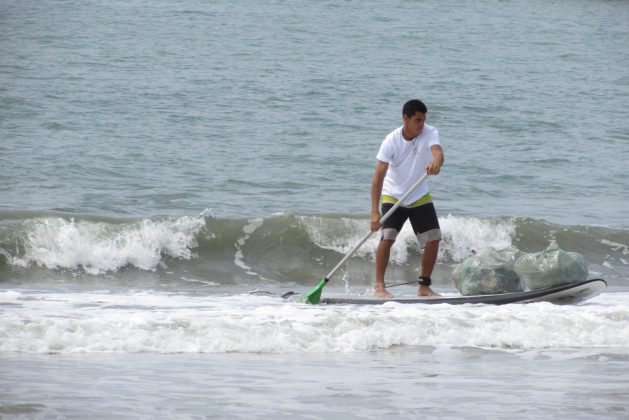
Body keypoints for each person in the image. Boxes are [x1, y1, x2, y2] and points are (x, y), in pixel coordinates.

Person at [370, 99, 444, 298]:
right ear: (406, 119)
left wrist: (436, 163)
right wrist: (375, 212)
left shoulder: (430, 132)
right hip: (393, 195)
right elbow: (378, 178)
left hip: (418, 194)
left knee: (434, 238)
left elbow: (437, 152)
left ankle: (424, 286)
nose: (421, 125)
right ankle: (379, 286)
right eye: (417, 120)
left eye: (423, 120)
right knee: (388, 237)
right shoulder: (391, 140)